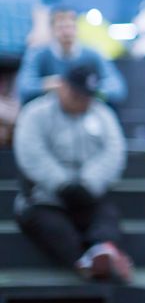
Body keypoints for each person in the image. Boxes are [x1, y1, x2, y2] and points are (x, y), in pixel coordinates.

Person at [13, 63, 133, 282]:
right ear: (62, 87)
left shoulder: (103, 114)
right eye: (77, 94)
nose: (82, 101)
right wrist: (63, 184)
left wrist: (88, 183)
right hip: (45, 198)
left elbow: (114, 152)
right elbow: (32, 153)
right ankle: (85, 262)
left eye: (87, 96)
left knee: (107, 217)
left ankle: (103, 251)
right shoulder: (35, 113)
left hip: (88, 195)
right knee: (52, 227)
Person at [16, 5, 127, 106]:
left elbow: (117, 90)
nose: (67, 33)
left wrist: (88, 90)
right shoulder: (38, 54)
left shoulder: (93, 54)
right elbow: (24, 89)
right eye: (61, 27)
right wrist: (50, 85)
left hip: (84, 110)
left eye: (70, 27)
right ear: (52, 30)